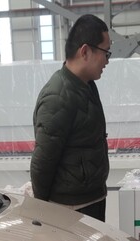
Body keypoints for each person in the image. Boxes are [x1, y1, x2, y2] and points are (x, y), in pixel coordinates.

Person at [30, 14, 111, 222]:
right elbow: (43, 163)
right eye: (106, 53)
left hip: (91, 199)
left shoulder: (87, 85)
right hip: (72, 208)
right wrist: (42, 214)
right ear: (85, 51)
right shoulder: (58, 96)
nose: (107, 61)